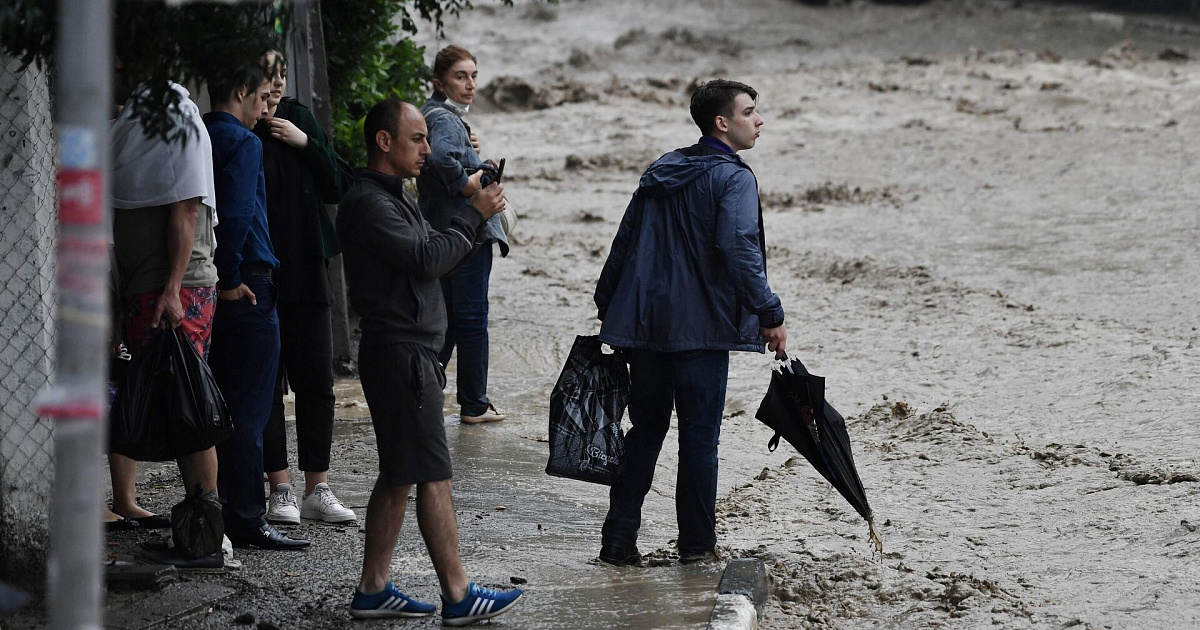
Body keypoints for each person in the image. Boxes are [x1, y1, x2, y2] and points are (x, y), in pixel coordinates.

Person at [337, 98, 523, 624]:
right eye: (418, 139)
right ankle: (459, 596)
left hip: (405, 351)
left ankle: (373, 589)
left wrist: (467, 220)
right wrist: (472, 215)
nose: (428, 148)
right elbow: (426, 261)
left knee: (398, 475)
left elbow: (433, 253)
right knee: (433, 475)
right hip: (401, 353)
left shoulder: (395, 197)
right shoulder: (371, 203)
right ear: (384, 142)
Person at [592, 79, 788, 566]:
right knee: (699, 440)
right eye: (749, 112)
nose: (759, 120)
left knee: (645, 431)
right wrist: (770, 312)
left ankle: (617, 542)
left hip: (647, 327)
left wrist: (609, 308)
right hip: (700, 332)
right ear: (722, 123)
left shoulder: (663, 169)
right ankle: (696, 549)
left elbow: (624, 243)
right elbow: (739, 249)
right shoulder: (735, 179)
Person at [108, 80, 224, 567]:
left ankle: (204, 538)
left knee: (189, 408)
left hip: (175, 292)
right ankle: (194, 533)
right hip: (147, 291)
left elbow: (184, 209)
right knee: (176, 407)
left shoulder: (179, 133)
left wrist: (173, 290)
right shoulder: (135, 135)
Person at [203, 55, 309, 551]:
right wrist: (230, 278)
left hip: (210, 287)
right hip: (247, 284)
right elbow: (240, 212)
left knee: (219, 403)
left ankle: (218, 509)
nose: (265, 107)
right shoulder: (243, 142)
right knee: (250, 410)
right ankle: (245, 518)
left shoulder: (199, 133)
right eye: (262, 95)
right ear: (242, 89)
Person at [253, 48, 357, 526]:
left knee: (317, 380)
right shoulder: (237, 128)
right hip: (260, 273)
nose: (276, 86)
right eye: (267, 77)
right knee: (267, 382)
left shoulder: (298, 117)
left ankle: (318, 487)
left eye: (281, 76)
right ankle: (280, 490)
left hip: (308, 266)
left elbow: (339, 183)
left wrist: (304, 142)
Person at [417, 45, 510, 425]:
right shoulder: (445, 119)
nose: (470, 84)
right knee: (471, 318)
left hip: (443, 231)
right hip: (466, 232)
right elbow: (440, 159)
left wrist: (474, 164)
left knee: (450, 319)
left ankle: (422, 389)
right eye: (461, 77)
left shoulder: (431, 113)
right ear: (439, 82)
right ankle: (473, 403)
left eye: (473, 76)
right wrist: (468, 183)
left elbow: (439, 156)